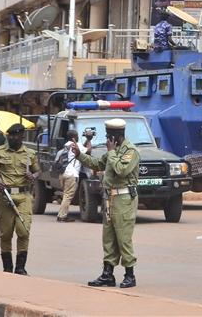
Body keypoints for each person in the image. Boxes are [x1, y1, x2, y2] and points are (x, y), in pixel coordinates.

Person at [74, 119, 140, 288]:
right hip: (110, 199)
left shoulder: (130, 151)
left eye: (109, 135)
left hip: (124, 199)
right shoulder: (114, 150)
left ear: (117, 136)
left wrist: (111, 153)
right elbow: (97, 164)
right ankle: (107, 274)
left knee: (123, 237)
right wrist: (80, 155)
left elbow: (122, 170)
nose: (106, 138)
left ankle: (129, 275)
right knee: (108, 237)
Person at [0, 124, 40, 274]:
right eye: (9, 135)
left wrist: (33, 176)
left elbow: (38, 171)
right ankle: (8, 268)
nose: (11, 138)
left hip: (23, 196)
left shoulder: (30, 153)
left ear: (21, 137)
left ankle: (20, 268)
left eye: (14, 136)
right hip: (5, 196)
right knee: (6, 233)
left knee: (23, 231)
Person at [55, 129, 91, 222]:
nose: (79, 137)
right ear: (74, 137)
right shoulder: (76, 145)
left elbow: (82, 148)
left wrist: (86, 140)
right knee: (68, 196)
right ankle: (62, 216)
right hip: (72, 174)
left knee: (65, 195)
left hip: (63, 173)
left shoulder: (66, 146)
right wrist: (90, 140)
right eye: (77, 135)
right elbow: (88, 151)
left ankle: (61, 214)